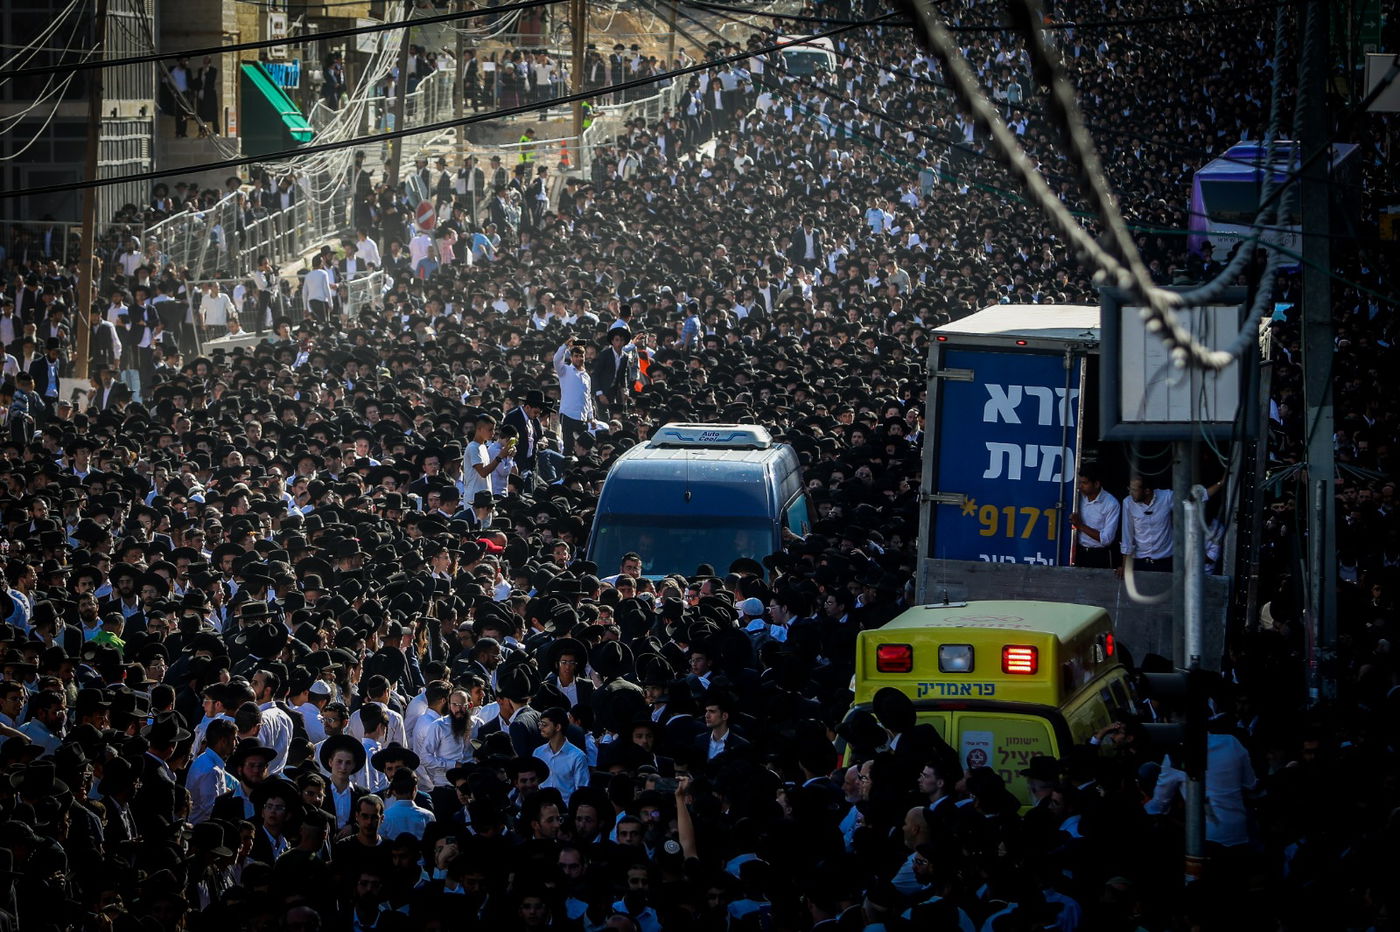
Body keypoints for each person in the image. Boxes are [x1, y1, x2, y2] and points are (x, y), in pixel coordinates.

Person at [1118, 475, 1173, 574]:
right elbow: (1127, 535)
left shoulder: (1167, 497)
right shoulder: (1128, 502)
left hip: (1165, 561)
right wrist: (1124, 566)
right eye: (1130, 489)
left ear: (1147, 491)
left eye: (1134, 490)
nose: (1130, 493)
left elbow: (1192, 500)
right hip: (1141, 561)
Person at [1071, 466, 1121, 569]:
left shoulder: (1111, 503)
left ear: (1097, 484)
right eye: (1080, 482)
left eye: (1084, 483)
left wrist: (1080, 526)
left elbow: (1107, 539)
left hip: (1099, 556)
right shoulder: (1077, 497)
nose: (1080, 486)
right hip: (1078, 553)